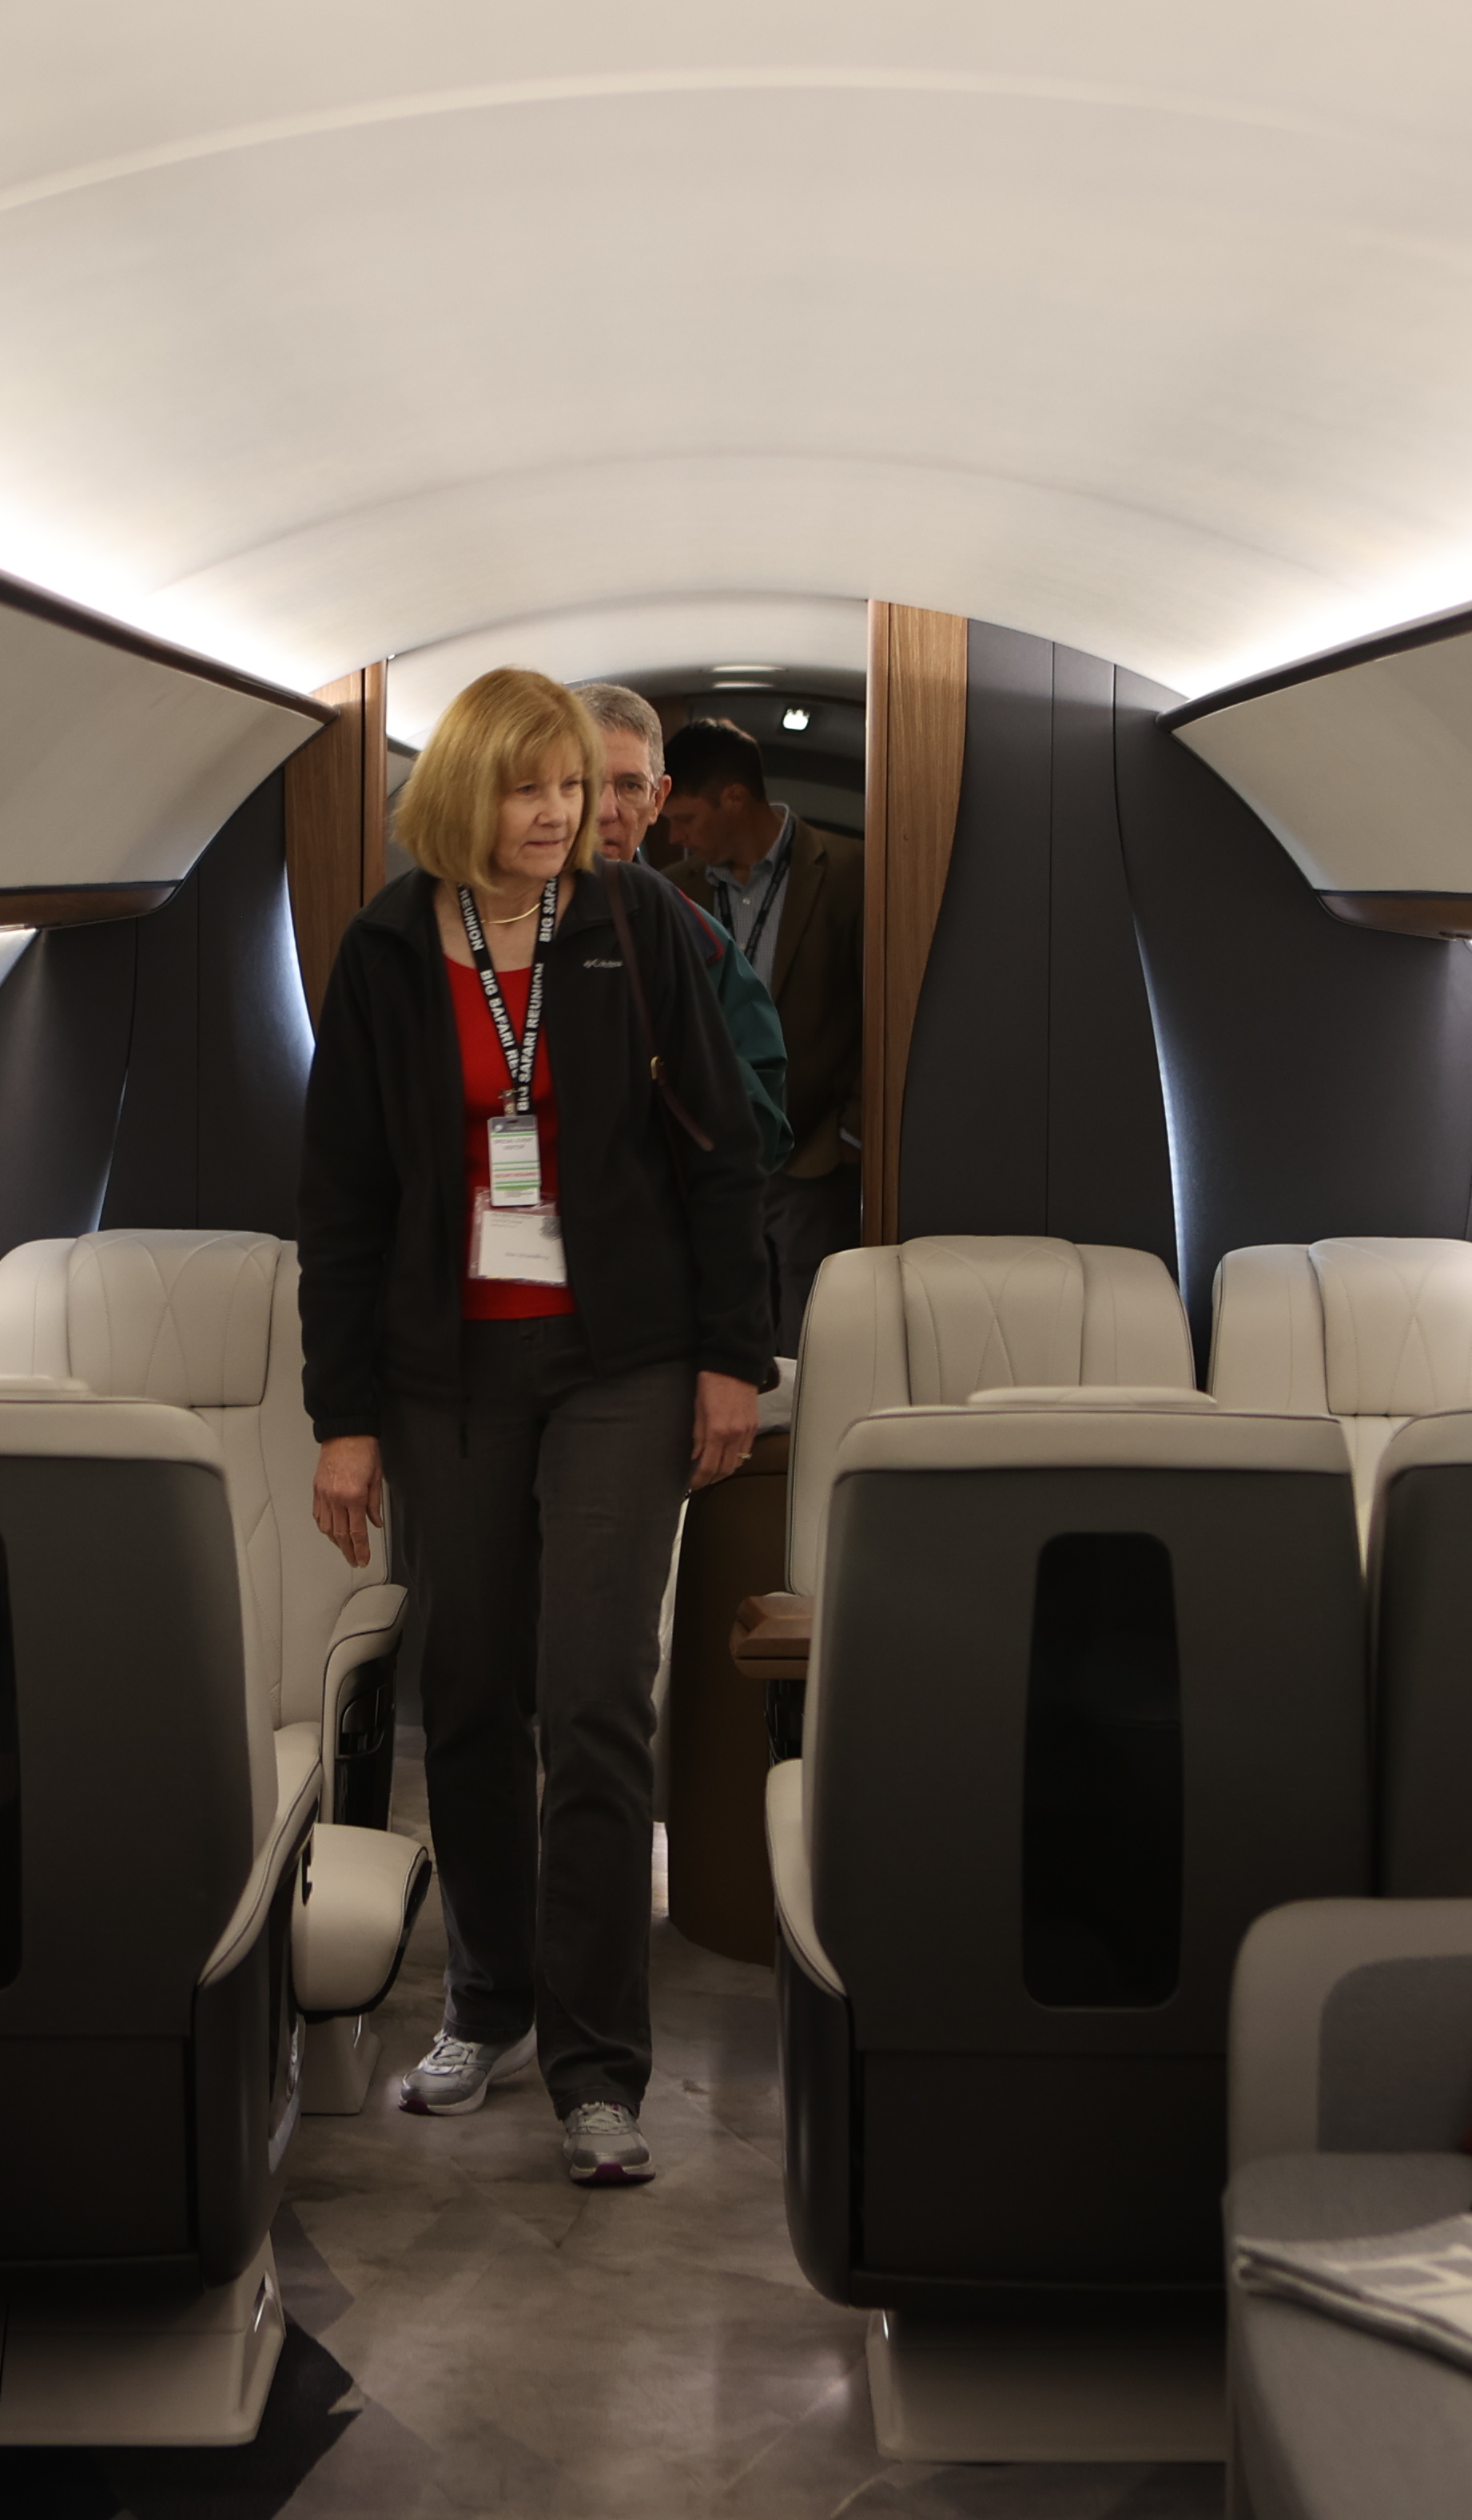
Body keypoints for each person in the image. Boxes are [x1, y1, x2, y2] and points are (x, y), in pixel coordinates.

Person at [296, 667, 773, 2187]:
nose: (561, 812)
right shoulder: (385, 950)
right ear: (462, 794)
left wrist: (731, 1358)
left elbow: (724, 1153)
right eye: (528, 787)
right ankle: (488, 1998)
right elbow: (343, 1199)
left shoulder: (641, 927)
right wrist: (343, 1418)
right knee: (470, 1687)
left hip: (619, 1359)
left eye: (573, 784)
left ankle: (597, 2064)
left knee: (594, 1695)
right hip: (445, 1371)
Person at [663, 716, 865, 1350]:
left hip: (814, 1149)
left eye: (685, 818)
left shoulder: (851, 870)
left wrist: (855, 1130)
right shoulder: (673, 893)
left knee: (812, 1327)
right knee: (722, 1315)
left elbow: (876, 1006)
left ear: (734, 798)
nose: (675, 837)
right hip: (708, 1149)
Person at [574, 682, 794, 1177]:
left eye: (631, 786)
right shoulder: (498, 920)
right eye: (585, 784)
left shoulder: (700, 942)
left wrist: (676, 1041)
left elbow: (763, 1134)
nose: (608, 810)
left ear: (658, 800)